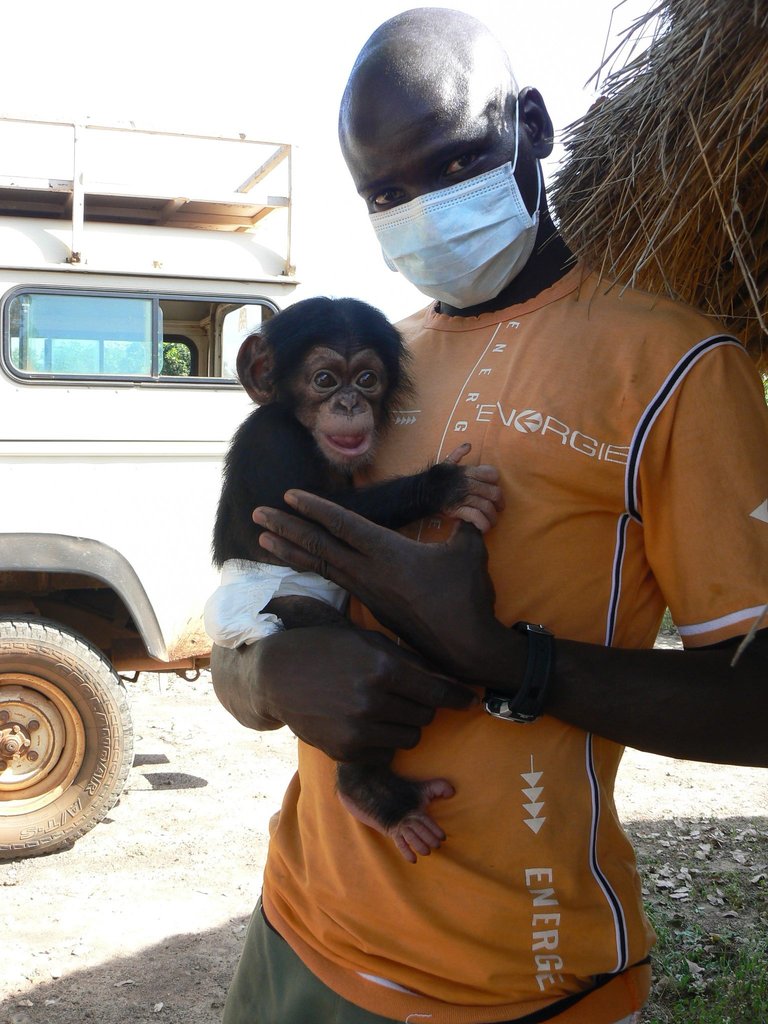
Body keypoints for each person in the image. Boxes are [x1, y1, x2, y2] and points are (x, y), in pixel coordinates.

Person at [212, 8, 768, 1024]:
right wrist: (267, 671)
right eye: (386, 191)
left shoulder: (679, 370)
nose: (422, 207)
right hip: (295, 927)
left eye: (455, 161)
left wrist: (508, 660)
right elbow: (243, 598)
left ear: (537, 126)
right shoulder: (362, 362)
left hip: (511, 984)